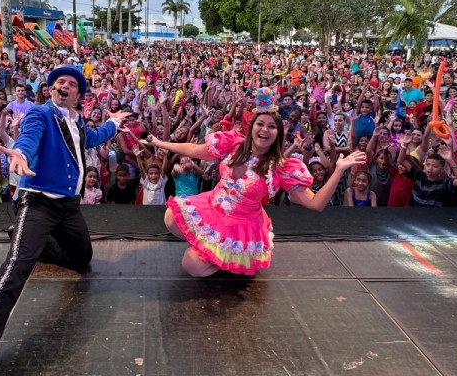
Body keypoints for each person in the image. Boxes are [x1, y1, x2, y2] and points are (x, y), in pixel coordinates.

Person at [0, 66, 131, 376]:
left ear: (79, 96)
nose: (64, 86)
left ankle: (27, 239)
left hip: (69, 209)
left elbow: (95, 137)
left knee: (82, 258)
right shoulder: (39, 114)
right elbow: (29, 139)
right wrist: (19, 153)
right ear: (50, 90)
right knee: (17, 268)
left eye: (72, 84)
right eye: (59, 82)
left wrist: (115, 124)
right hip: (39, 205)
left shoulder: (76, 123)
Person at [147, 89, 366, 277]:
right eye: (260, 124)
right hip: (212, 207)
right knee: (170, 218)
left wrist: (338, 170)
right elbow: (195, 150)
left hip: (241, 226)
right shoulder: (234, 144)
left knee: (191, 265)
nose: (265, 129)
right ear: (251, 127)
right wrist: (160, 142)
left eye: (272, 127)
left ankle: (226, 257)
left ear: (278, 133)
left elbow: (316, 204)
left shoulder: (281, 167)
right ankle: (211, 249)